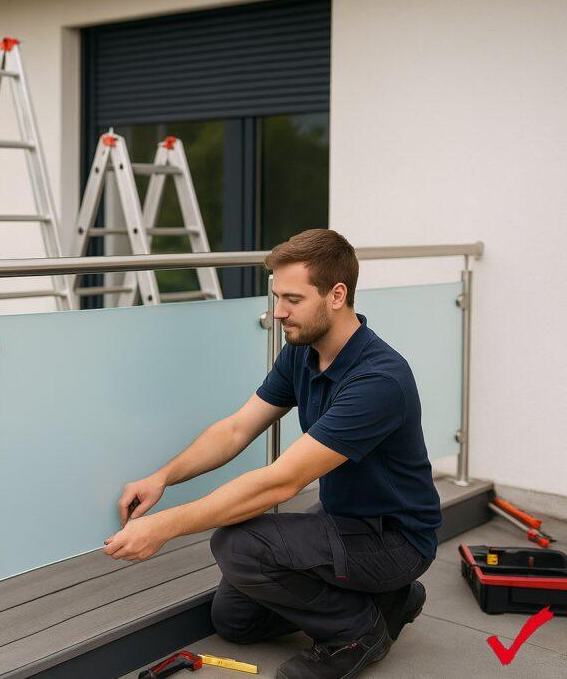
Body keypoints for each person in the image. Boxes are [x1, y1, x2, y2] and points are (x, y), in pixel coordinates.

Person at [105, 229, 441, 679]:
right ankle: (390, 600)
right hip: (344, 521)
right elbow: (236, 428)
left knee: (237, 544)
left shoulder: (379, 379)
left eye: (292, 299)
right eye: (276, 296)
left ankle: (357, 632)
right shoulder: (303, 352)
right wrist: (162, 477)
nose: (278, 311)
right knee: (234, 620)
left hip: (394, 541)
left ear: (337, 295)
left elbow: (283, 482)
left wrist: (163, 527)